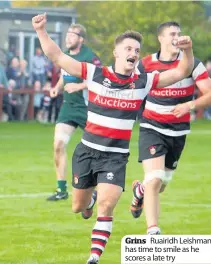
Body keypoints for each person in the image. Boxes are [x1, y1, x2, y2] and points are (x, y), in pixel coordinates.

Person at [32, 13, 194, 264]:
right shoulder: (95, 73)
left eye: (137, 50)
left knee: (107, 205)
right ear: (116, 53)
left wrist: (189, 50)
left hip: (115, 158)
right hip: (87, 152)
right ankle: (89, 199)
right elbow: (57, 57)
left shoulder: (143, 81)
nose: (134, 53)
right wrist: (41, 31)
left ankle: (94, 257)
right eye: (128, 48)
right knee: (79, 208)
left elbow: (183, 70)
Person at [129, 21, 211, 235]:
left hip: (178, 132)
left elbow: (209, 94)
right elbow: (130, 89)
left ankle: (140, 191)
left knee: (161, 184)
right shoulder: (145, 64)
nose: (177, 37)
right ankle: (153, 230)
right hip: (152, 127)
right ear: (161, 38)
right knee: (155, 179)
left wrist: (189, 105)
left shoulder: (193, 64)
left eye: (179, 33)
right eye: (172, 34)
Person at [47, 24, 102, 201]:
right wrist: (57, 87)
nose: (68, 37)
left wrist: (79, 85)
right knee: (58, 145)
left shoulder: (90, 57)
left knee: (97, 149)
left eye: (73, 35)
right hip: (69, 108)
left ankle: (99, 187)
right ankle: (61, 190)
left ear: (81, 39)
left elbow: (101, 79)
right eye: (67, 34)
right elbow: (65, 75)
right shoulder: (65, 55)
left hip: (88, 109)